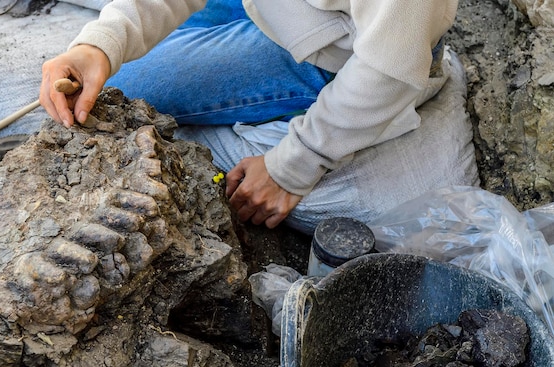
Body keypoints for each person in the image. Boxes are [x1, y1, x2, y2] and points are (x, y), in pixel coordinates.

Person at [40, 0, 463, 230]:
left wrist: (292, 166)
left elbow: (388, 69)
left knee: (127, 88)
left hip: (340, 55)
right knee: (110, 59)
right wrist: (98, 44)